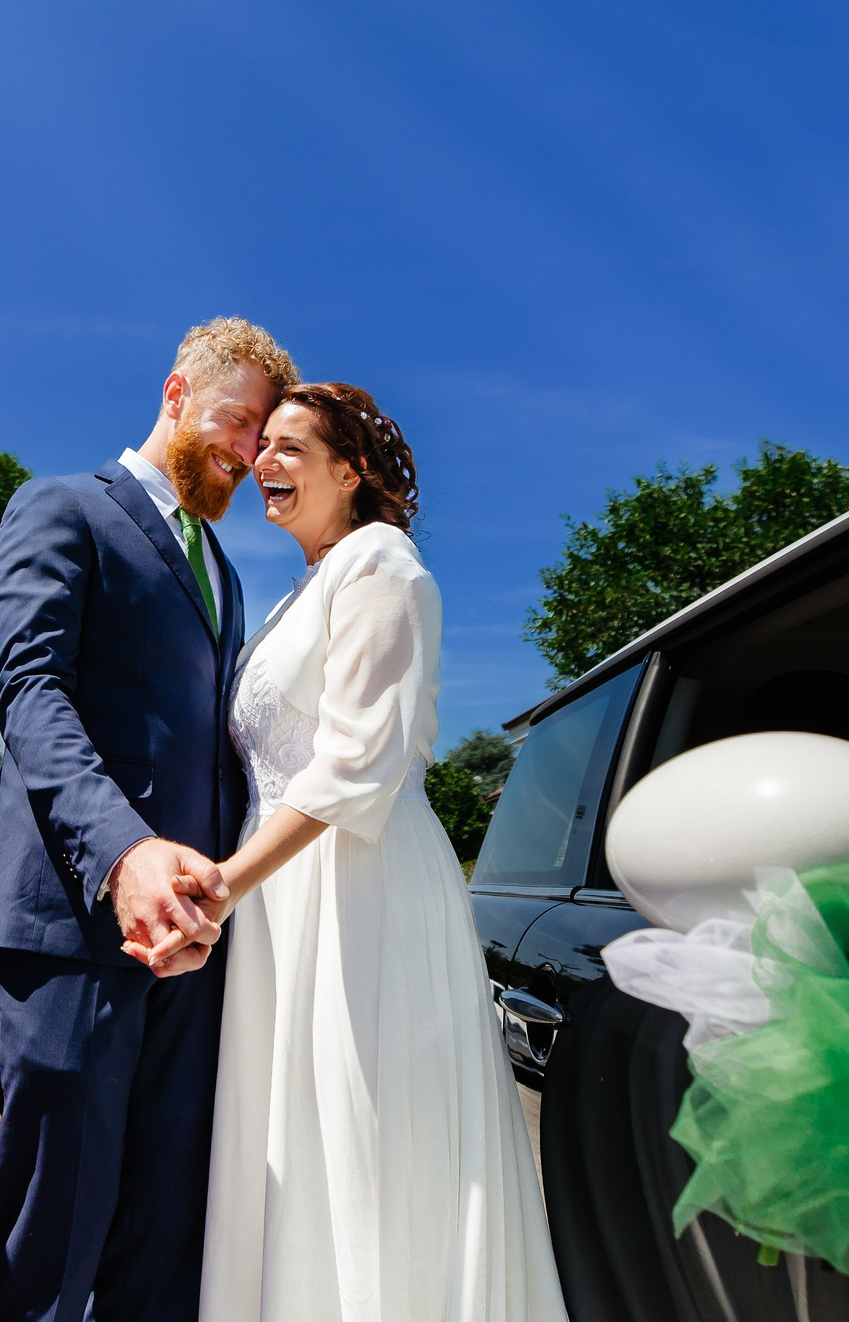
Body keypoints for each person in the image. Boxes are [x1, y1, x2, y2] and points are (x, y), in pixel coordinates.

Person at [135, 383, 565, 1322]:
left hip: (358, 884)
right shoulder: (303, 589)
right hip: (282, 895)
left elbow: (358, 763)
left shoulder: (383, 564)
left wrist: (223, 884)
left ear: (351, 471)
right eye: (263, 445)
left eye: (291, 446)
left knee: (367, 1136)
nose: (264, 462)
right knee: (295, 1139)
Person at [0, 317, 299, 1322]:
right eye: (236, 421)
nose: (247, 452)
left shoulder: (227, 576)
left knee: (163, 1241)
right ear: (175, 393)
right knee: (51, 1241)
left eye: (262, 438)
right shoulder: (63, 506)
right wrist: (122, 855)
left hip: (195, 944)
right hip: (75, 933)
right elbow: (31, 693)